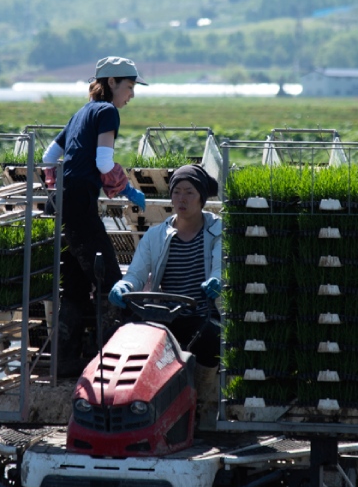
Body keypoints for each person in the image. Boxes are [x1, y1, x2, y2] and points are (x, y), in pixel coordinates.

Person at [42, 56, 147, 374]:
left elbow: (50, 156)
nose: (131, 95)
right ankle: (111, 363)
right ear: (112, 83)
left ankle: (65, 361)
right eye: (129, 87)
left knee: (74, 283)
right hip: (79, 205)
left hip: (61, 204)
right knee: (111, 281)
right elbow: (103, 162)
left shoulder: (80, 113)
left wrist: (56, 189)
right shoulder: (107, 112)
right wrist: (127, 190)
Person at [108, 164, 223, 427]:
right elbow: (136, 274)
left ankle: (204, 404)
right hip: (165, 316)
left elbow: (219, 267)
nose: (182, 199)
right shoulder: (156, 235)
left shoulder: (217, 231)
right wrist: (125, 286)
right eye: (177, 192)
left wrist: (217, 280)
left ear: (202, 198)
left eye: (190, 193)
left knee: (210, 340)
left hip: (202, 315)